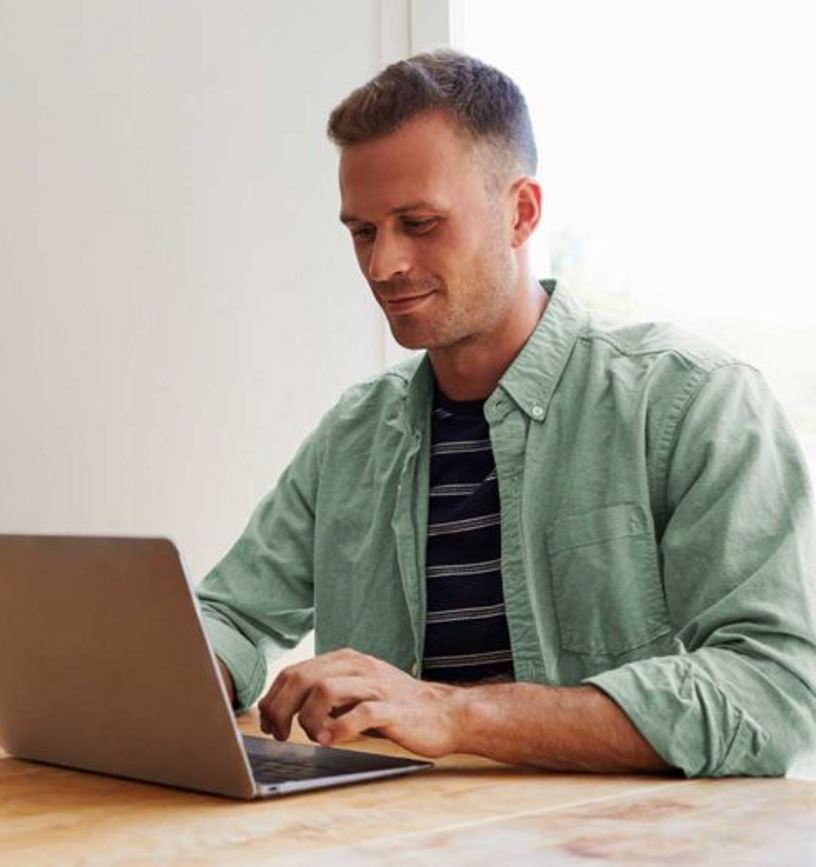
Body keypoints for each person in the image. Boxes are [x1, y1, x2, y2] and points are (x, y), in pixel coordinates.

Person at [196, 50, 816, 777]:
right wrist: (175, 676)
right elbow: (230, 613)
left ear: (521, 213)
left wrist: (455, 714)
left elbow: (772, 689)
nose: (382, 264)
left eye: (419, 223)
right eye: (362, 231)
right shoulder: (354, 435)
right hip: (385, 842)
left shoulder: (692, 402)